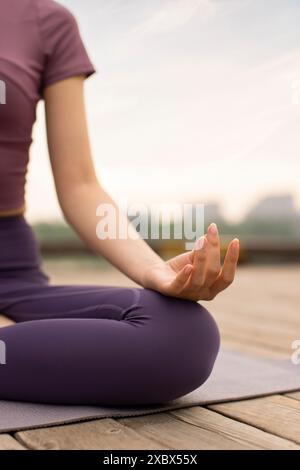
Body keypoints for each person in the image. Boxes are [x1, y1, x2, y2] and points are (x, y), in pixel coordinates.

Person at [0, 0, 239, 406]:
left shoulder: (47, 22)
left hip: (11, 274)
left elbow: (80, 185)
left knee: (181, 337)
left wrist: (153, 272)